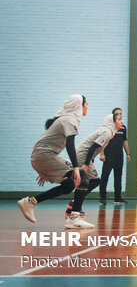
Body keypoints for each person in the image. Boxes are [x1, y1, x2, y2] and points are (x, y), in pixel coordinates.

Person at [17, 95, 91, 228]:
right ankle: (74, 218)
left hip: (42, 157)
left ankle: (31, 202)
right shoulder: (69, 119)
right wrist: (75, 168)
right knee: (83, 176)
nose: (87, 107)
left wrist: (45, 167)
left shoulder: (65, 118)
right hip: (44, 156)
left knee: (68, 185)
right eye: (86, 104)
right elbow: (70, 144)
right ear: (79, 106)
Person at [64, 113, 123, 227]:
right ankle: (74, 207)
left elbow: (95, 148)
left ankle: (74, 207)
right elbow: (92, 147)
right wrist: (86, 164)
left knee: (91, 182)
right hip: (83, 156)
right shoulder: (107, 132)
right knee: (94, 181)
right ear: (113, 122)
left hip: (85, 156)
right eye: (119, 120)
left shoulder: (109, 132)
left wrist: (91, 161)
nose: (122, 122)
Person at [99, 107, 130, 205]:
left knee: (118, 177)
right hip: (108, 155)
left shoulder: (123, 128)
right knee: (105, 176)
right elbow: (102, 142)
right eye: (117, 114)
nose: (119, 116)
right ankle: (103, 198)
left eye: (121, 114)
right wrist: (102, 153)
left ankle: (118, 198)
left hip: (119, 156)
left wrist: (128, 153)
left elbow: (125, 141)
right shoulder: (108, 129)